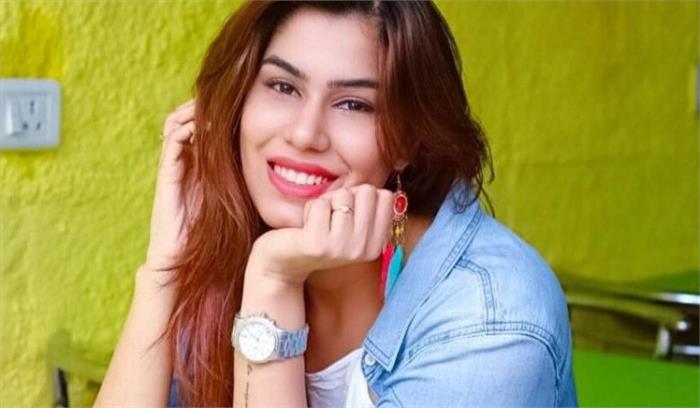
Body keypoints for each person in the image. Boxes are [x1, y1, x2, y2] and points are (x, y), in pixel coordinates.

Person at [94, 1, 578, 407]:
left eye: (354, 104)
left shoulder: (489, 321)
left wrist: (273, 283)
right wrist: (166, 272)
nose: (305, 134)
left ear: (407, 139)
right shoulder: (232, 255)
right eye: (283, 87)